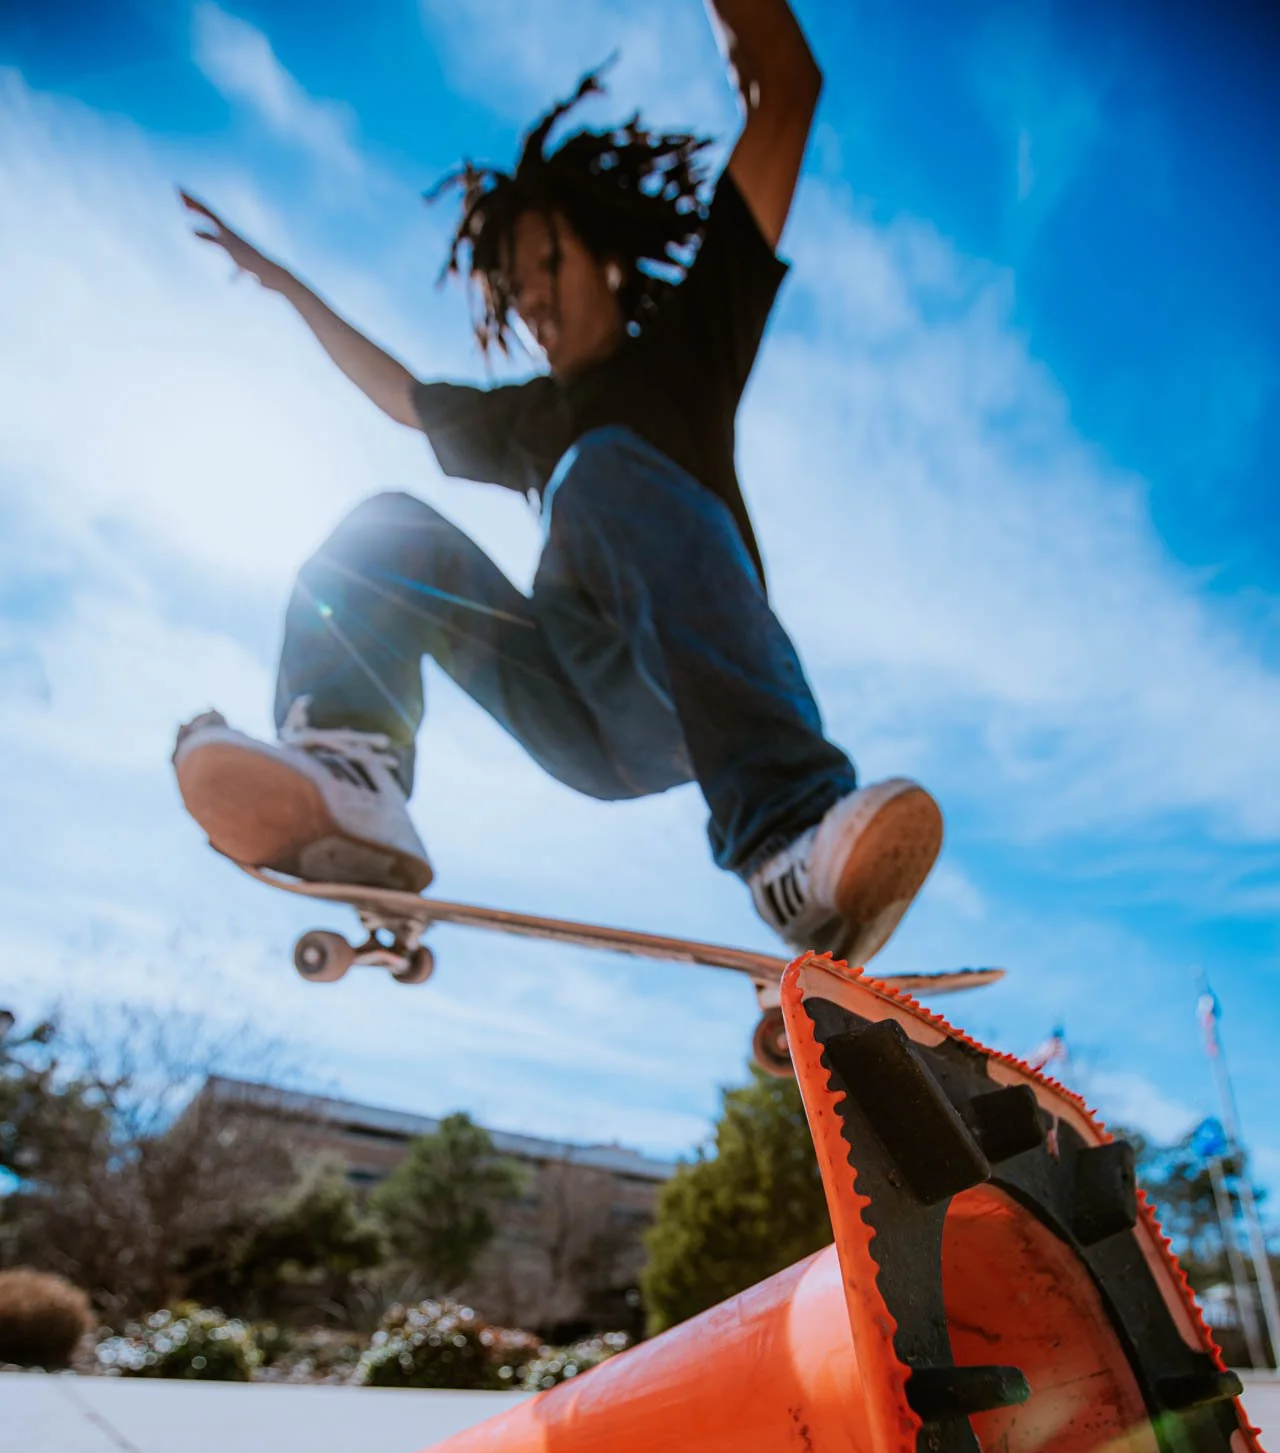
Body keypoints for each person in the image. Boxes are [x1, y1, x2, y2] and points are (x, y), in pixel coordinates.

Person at [173, 0, 942, 966]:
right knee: (388, 532)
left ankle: (789, 829)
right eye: (513, 283)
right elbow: (402, 398)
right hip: (574, 712)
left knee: (603, 470)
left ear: (608, 257)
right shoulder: (530, 420)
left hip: (697, 679)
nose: (532, 296)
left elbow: (786, 95)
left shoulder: (691, 342)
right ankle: (354, 772)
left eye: (546, 261)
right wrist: (285, 285)